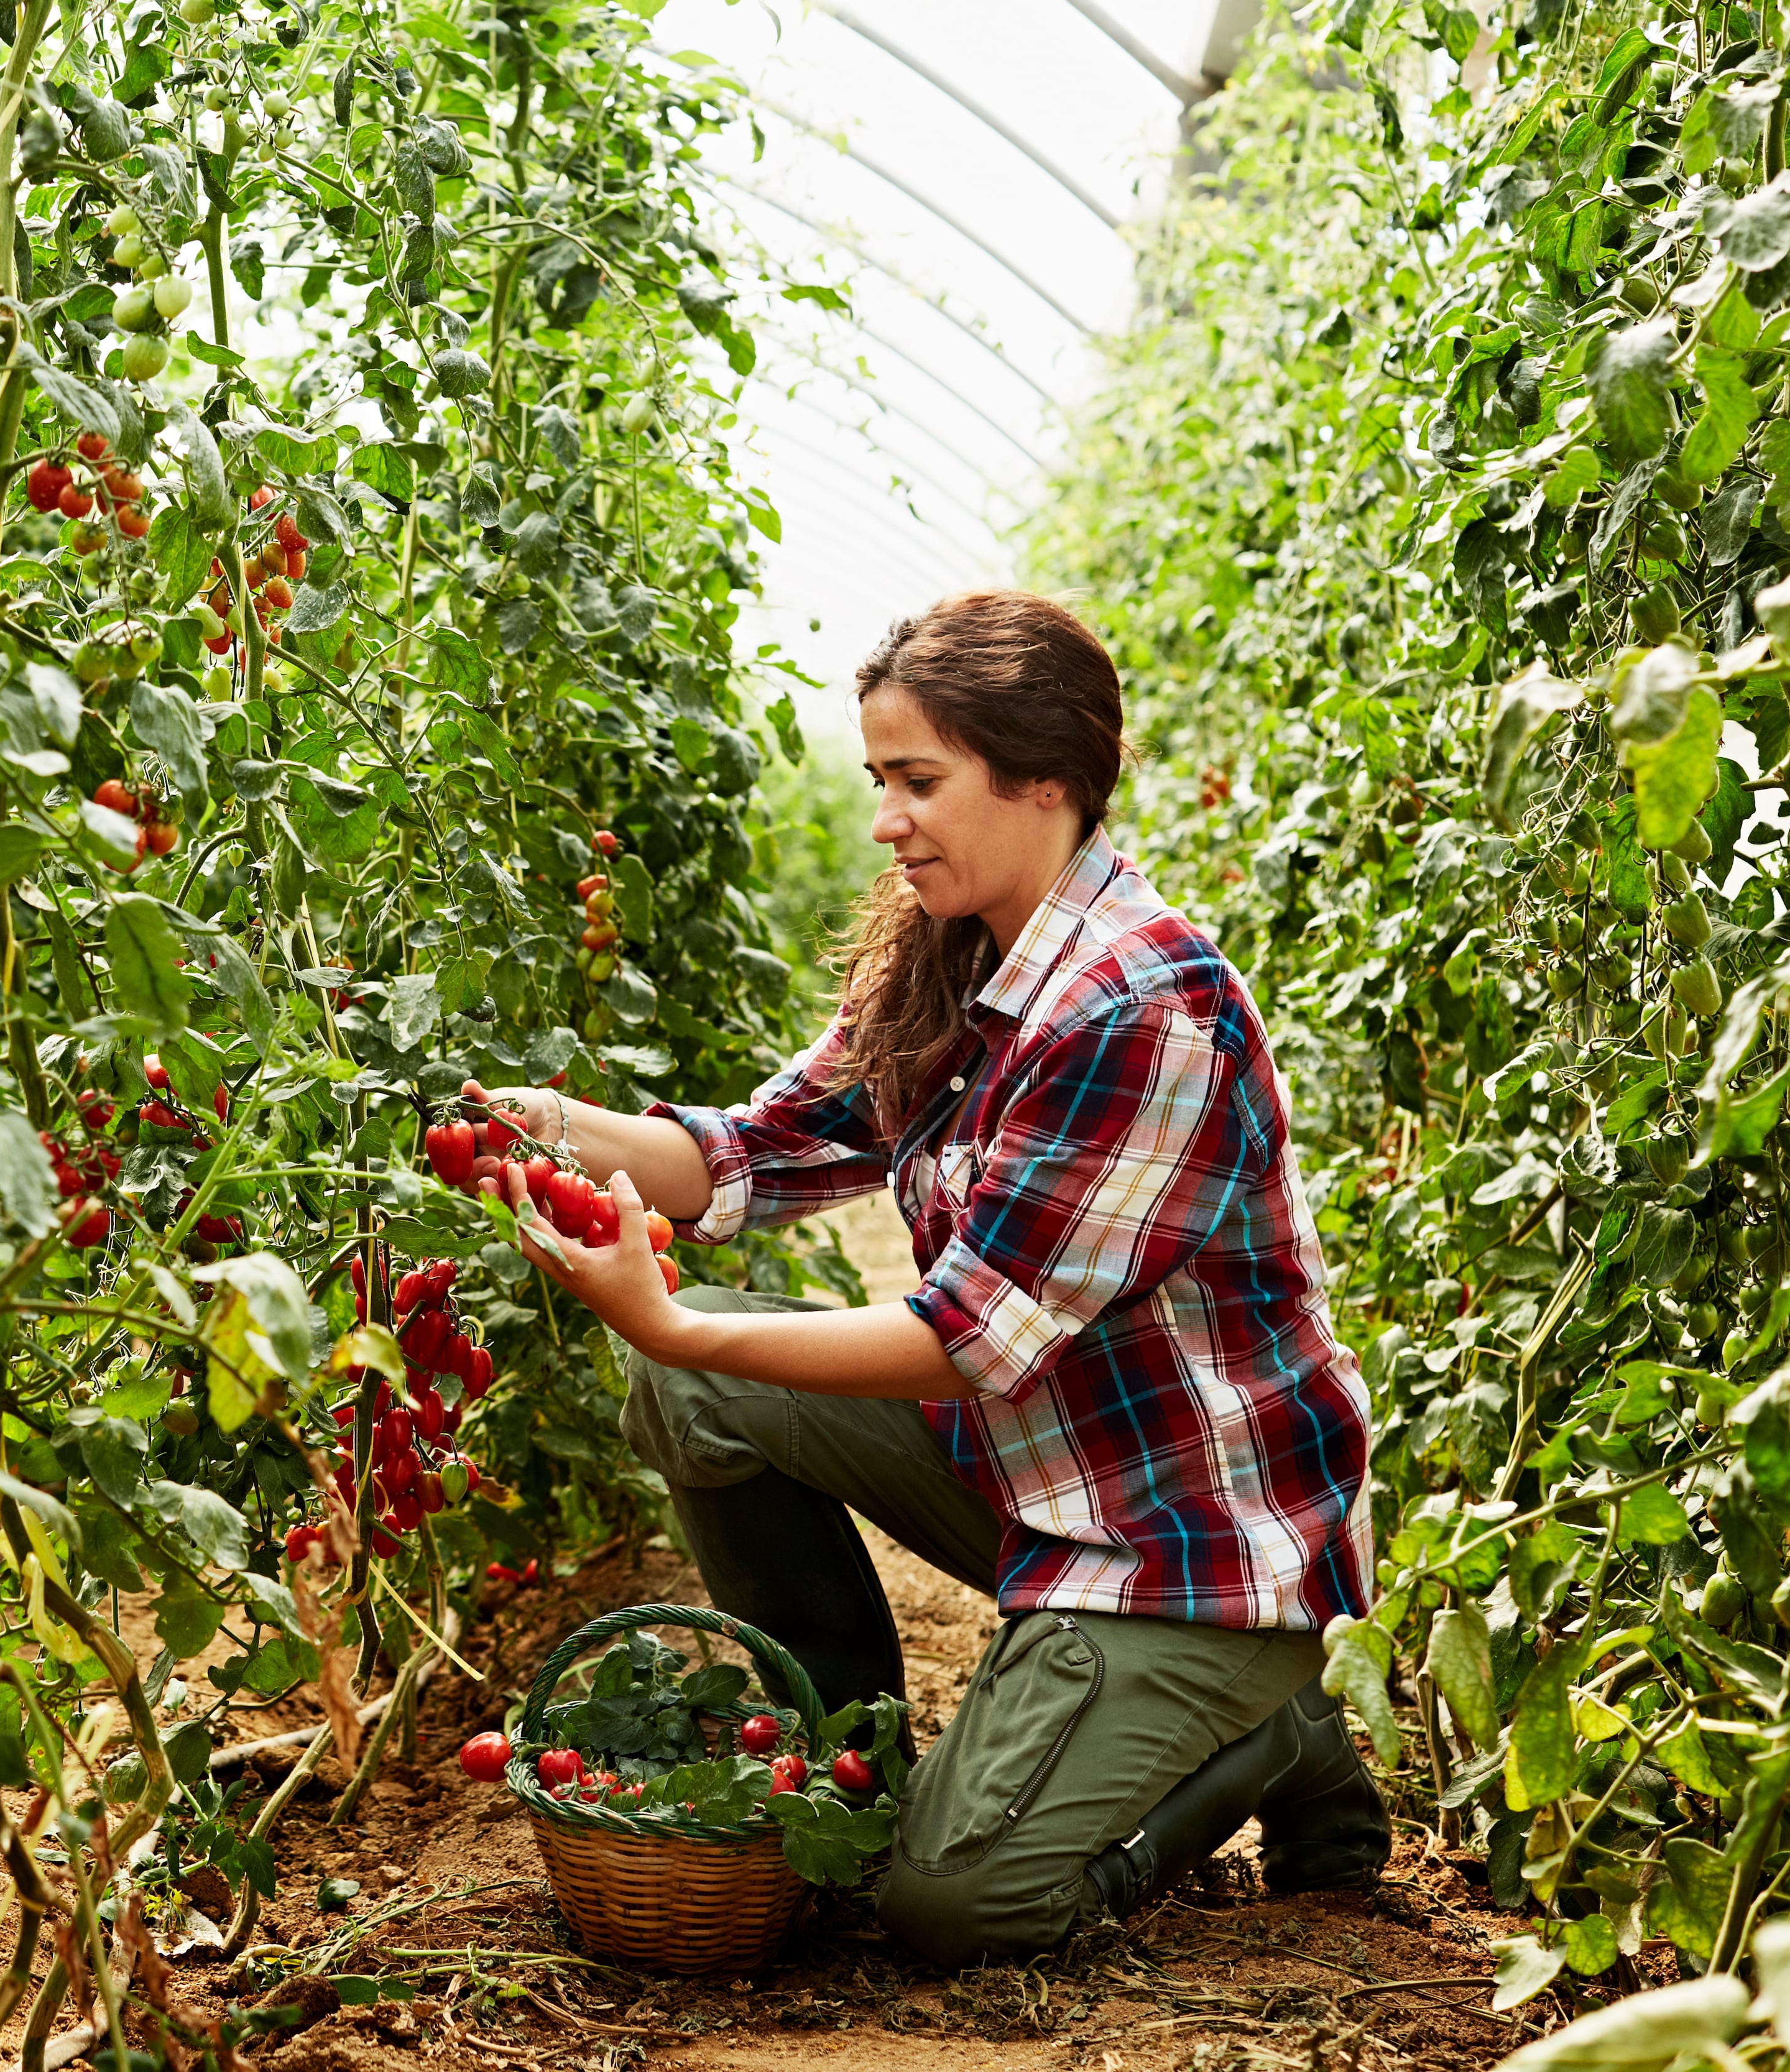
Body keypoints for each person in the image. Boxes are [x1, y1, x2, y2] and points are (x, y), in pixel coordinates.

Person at [469, 590, 1385, 1965]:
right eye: (878, 781)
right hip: (1039, 1473)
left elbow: (961, 1337)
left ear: (1047, 779)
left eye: (918, 781)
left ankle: (1269, 1725)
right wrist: (537, 1128)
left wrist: (673, 1319)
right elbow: (759, 1147)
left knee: (956, 1907)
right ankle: (848, 1749)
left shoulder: (1138, 1008)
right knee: (685, 1383)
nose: (887, 819)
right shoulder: (949, 948)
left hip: (1185, 1541)